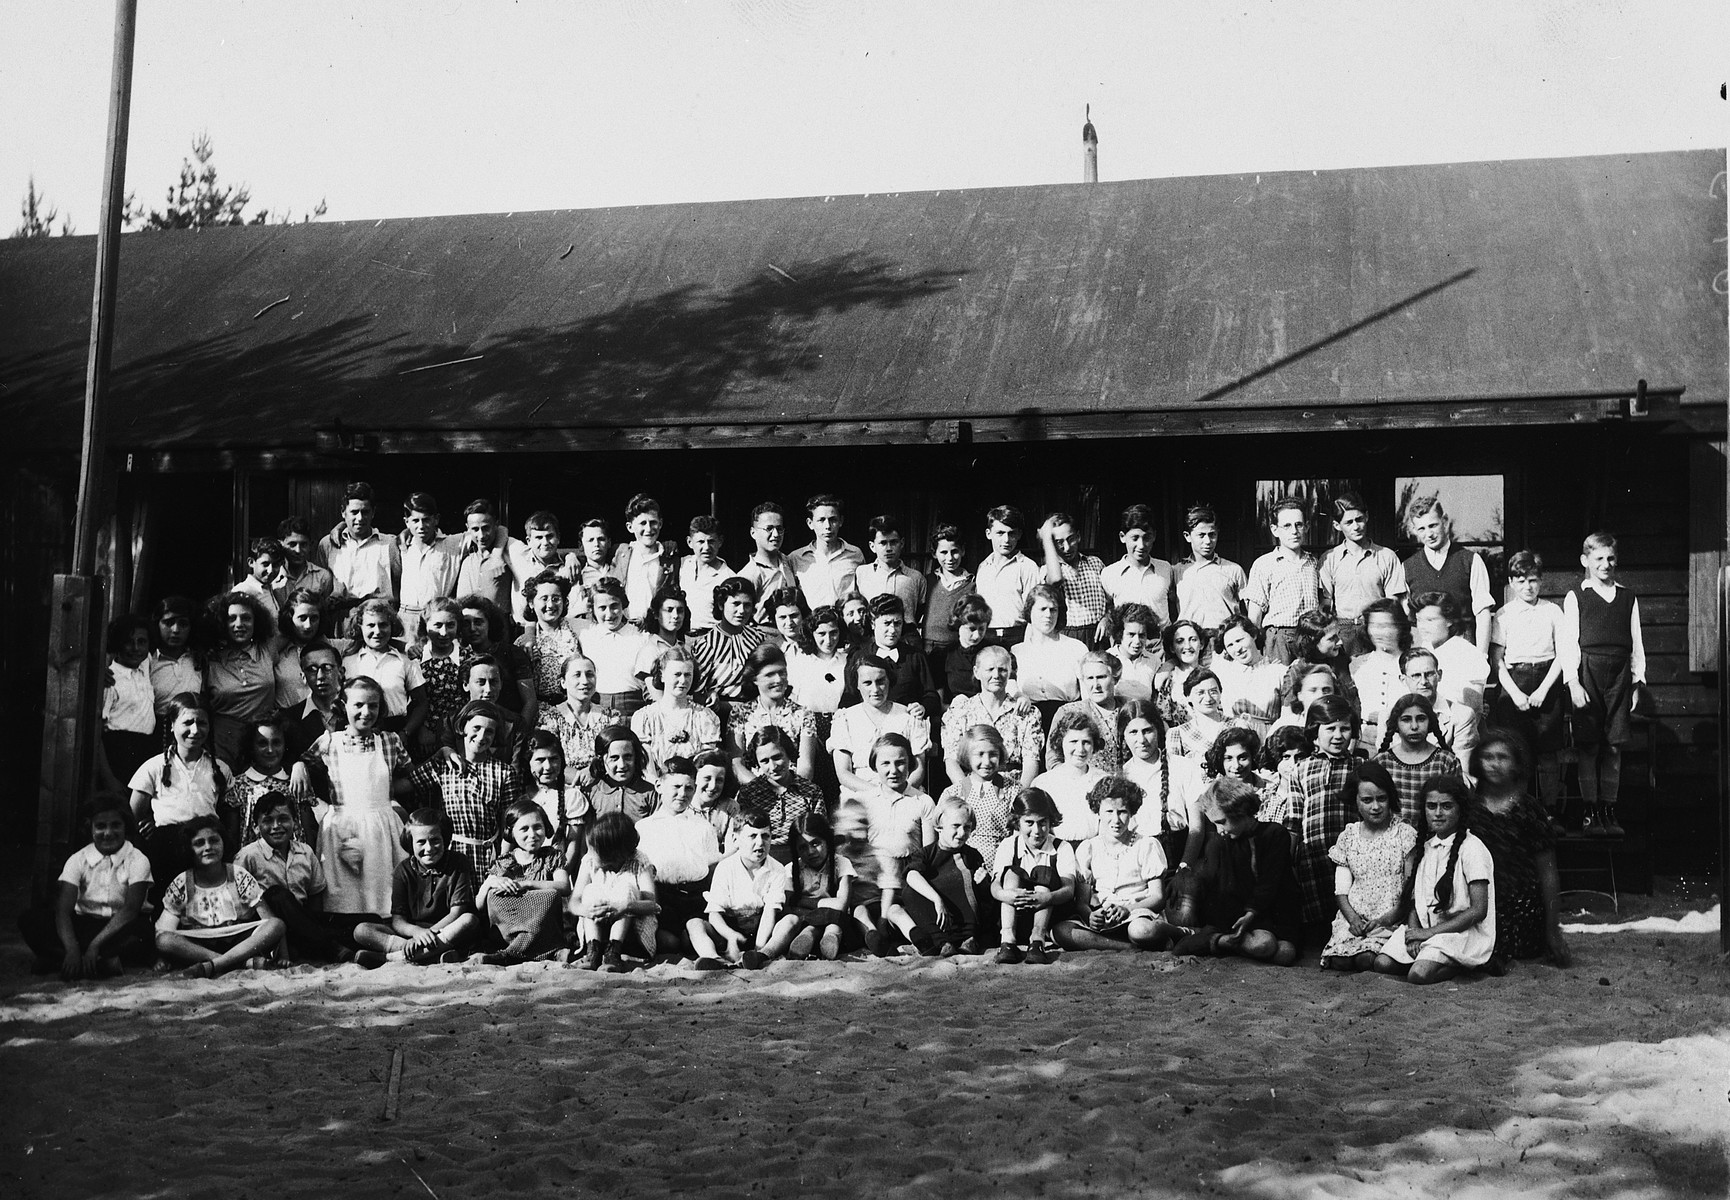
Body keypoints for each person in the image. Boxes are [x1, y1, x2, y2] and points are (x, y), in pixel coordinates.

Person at [296, 677, 411, 920]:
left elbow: (411, 779)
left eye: (373, 705)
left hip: (382, 826)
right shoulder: (330, 742)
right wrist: (298, 765)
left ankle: (382, 935)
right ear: (343, 706)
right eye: (358, 705)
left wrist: (389, 796)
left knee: (382, 895)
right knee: (345, 896)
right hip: (342, 828)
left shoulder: (389, 741)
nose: (366, 712)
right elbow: (305, 766)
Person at [1560, 531, 1646, 837]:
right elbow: (1568, 643)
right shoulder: (1577, 596)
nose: (1605, 564)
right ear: (1586, 561)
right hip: (1589, 673)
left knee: (1613, 746)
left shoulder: (1627, 597)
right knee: (1588, 746)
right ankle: (1590, 811)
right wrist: (1572, 681)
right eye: (1598, 559)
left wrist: (1636, 683)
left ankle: (1609, 810)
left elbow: (1636, 641)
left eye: (1610, 558)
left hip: (1620, 675)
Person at [1161, 778, 1301, 965]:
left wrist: (1251, 913)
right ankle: (1217, 940)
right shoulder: (1220, 843)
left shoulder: (1275, 834)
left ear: (1240, 811)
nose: (1219, 830)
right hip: (1237, 918)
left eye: (1222, 822)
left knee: (1285, 953)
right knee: (1264, 945)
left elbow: (1269, 883)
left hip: (1271, 914)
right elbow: (1220, 892)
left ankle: (1215, 943)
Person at [1372, 775, 1495, 984]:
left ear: (1460, 809)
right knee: (1382, 964)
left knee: (1417, 975)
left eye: (1446, 806)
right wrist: (1413, 933)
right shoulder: (1426, 848)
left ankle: (1460, 967)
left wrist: (1427, 934)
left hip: (1460, 933)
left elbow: (1479, 910)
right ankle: (1428, 958)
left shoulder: (1472, 848)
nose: (1438, 813)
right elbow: (1415, 902)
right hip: (1426, 930)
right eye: (1431, 806)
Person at [19, 798, 153, 979]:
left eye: (115, 825)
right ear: (90, 828)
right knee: (30, 920)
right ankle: (98, 962)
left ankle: (58, 959)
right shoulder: (78, 859)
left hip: (121, 926)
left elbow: (130, 909)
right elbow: (63, 911)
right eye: (100, 826)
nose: (108, 833)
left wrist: (94, 945)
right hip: (85, 924)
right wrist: (72, 948)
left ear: (125, 827)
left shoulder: (138, 859)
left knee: (144, 934)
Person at [1470, 730, 1571, 969]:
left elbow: (1548, 873)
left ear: (1516, 764)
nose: (1495, 764)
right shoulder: (1469, 809)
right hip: (1480, 905)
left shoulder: (1529, 810)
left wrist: (1553, 929)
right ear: (1478, 761)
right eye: (1488, 757)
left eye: (1503, 758)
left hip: (1522, 908)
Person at [129, 693, 234, 905]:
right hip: (166, 848)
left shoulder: (220, 769)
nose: (195, 730)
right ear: (173, 724)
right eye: (188, 722)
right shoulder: (154, 767)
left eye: (202, 723)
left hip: (205, 847)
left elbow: (229, 811)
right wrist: (150, 824)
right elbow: (134, 813)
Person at [835, 733, 934, 953]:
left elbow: (928, 851)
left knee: (896, 910)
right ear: (874, 766)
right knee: (860, 908)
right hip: (872, 882)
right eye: (885, 763)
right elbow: (853, 849)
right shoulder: (864, 801)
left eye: (900, 763)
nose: (893, 770)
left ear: (910, 764)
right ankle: (874, 936)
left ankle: (914, 938)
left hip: (908, 877)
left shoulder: (922, 801)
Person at [402, 699, 522, 877]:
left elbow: (510, 823)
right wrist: (439, 754)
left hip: (487, 857)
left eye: (489, 731)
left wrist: (502, 861)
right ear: (463, 726)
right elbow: (404, 786)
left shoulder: (504, 772)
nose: (482, 736)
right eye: (476, 728)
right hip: (449, 856)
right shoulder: (443, 764)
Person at [1489, 550, 1567, 821]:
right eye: (1521, 581)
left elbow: (1562, 655)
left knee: (1547, 754)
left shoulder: (1553, 611)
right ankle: (1517, 812)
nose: (1528, 586)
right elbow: (1497, 660)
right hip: (1514, 683)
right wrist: (1515, 693)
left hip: (1547, 681)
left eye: (1533, 580)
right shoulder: (1504, 614)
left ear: (1541, 580)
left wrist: (1544, 689)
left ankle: (1549, 812)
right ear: (1511, 582)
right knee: (1517, 753)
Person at [153, 817, 286, 976]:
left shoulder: (238, 875)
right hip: (198, 945)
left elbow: (268, 920)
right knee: (164, 940)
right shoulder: (182, 882)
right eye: (199, 843)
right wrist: (162, 958)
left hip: (239, 942)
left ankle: (214, 965)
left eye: (214, 840)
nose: (208, 847)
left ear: (224, 843)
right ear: (189, 849)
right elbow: (164, 929)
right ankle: (235, 963)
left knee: (276, 924)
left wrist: (284, 955)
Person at [1318, 760, 1417, 971]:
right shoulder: (1349, 836)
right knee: (1341, 960)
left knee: (1366, 959)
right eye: (1367, 800)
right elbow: (1341, 890)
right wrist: (1352, 919)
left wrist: (1386, 919)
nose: (1375, 806)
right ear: (1355, 801)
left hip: (1391, 916)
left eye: (1381, 799)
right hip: (1355, 917)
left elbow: (1410, 890)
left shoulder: (1403, 834)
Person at [353, 808, 482, 966]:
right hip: (413, 933)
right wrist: (417, 933)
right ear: (410, 843)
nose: (429, 848)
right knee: (362, 930)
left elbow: (457, 913)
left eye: (435, 840)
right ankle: (432, 955)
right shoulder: (403, 870)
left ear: (445, 839)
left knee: (469, 920)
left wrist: (429, 934)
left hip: (445, 930)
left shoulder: (458, 863)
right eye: (421, 842)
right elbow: (398, 921)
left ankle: (390, 958)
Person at [235, 790, 352, 964]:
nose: (276, 826)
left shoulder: (305, 852)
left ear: (295, 823)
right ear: (255, 827)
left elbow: (315, 900)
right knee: (276, 894)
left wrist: (310, 925)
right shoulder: (247, 856)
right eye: (268, 821)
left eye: (283, 819)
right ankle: (331, 948)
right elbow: (238, 904)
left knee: (368, 920)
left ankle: (316, 944)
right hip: (270, 930)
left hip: (303, 924)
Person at [1054, 777, 1169, 952]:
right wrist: (1090, 915)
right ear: (1098, 812)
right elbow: (1082, 902)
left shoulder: (1146, 845)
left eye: (1122, 811)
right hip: (1104, 917)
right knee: (1061, 932)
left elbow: (1158, 897)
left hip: (1137, 914)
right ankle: (1127, 947)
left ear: (1131, 812)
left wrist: (1128, 909)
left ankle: (1175, 932)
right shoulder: (1088, 848)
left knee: (1141, 931)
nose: (1116, 820)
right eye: (1109, 811)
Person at [1285, 694, 1362, 937]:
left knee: (1350, 901)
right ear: (1314, 732)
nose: (1338, 736)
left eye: (1345, 729)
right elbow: (1293, 820)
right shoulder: (1301, 768)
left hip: (1351, 853)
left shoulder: (1359, 767)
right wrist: (1288, 859)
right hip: (1313, 851)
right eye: (1330, 729)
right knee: (1317, 913)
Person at [634, 756, 723, 958]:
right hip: (662, 899)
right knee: (670, 944)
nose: (682, 794)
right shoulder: (645, 828)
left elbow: (712, 869)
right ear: (659, 785)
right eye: (676, 786)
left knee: (693, 936)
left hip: (695, 898)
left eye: (689, 788)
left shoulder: (704, 827)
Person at [476, 799, 573, 964]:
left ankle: (513, 954)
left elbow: (564, 886)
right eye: (524, 829)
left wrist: (528, 884)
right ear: (512, 832)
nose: (532, 834)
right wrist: (490, 884)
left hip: (545, 931)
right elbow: (479, 905)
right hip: (513, 930)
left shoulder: (552, 856)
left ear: (546, 828)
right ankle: (530, 951)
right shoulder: (504, 862)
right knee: (494, 896)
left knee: (549, 896)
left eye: (537, 827)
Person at [689, 813, 791, 970]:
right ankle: (713, 959)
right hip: (729, 930)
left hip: (761, 929)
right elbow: (714, 914)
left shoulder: (777, 869)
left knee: (791, 921)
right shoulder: (725, 868)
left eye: (765, 836)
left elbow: (770, 912)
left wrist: (759, 947)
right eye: (752, 836)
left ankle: (763, 955)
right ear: (735, 840)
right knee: (694, 924)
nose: (760, 843)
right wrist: (730, 935)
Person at [989, 788, 1076, 964]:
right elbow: (995, 884)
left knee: (1043, 872)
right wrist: (1006, 894)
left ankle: (1037, 942)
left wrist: (1047, 897)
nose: (1036, 830)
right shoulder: (1009, 845)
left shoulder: (1061, 847)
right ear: (1017, 822)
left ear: (1051, 821)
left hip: (1048, 916)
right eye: (1029, 823)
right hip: (1015, 914)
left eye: (1042, 822)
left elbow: (1069, 889)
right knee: (1012, 873)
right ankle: (1007, 941)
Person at [1401, 495, 1495, 656]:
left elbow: (1483, 613)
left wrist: (1481, 656)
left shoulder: (1470, 560)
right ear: (1414, 530)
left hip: (1464, 647)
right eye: (1421, 529)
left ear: (1444, 521)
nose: (1429, 534)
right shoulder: (1408, 567)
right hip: (1426, 652)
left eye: (1433, 525)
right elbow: (1409, 620)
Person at [894, 798, 989, 956]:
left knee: (965, 878)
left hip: (967, 923)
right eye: (956, 826)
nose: (961, 833)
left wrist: (984, 881)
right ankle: (943, 943)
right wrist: (936, 899)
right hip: (941, 919)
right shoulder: (927, 853)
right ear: (939, 826)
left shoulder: (971, 855)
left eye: (967, 828)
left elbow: (983, 897)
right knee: (911, 891)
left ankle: (969, 939)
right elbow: (911, 875)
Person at [1118, 700, 1207, 867]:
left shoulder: (1184, 767)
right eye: (1133, 732)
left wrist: (1185, 866)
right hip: (1137, 861)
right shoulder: (1121, 776)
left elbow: (1197, 827)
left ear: (1158, 730)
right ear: (1123, 736)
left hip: (1178, 857)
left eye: (1147, 731)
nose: (1141, 739)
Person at [829, 654, 931, 799]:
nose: (875, 689)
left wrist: (898, 794)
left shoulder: (909, 716)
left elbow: (918, 769)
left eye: (880, 681)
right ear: (857, 684)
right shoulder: (844, 719)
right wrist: (880, 795)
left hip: (905, 793)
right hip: (860, 795)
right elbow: (844, 773)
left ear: (889, 680)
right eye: (867, 683)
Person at [570, 811, 662, 970]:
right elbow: (574, 901)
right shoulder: (589, 862)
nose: (589, 853)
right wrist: (588, 910)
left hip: (631, 936)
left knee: (626, 888)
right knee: (591, 890)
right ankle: (594, 951)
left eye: (594, 850)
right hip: (599, 926)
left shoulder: (639, 862)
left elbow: (652, 904)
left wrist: (625, 907)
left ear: (612, 853)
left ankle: (614, 952)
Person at [1319, 492, 1407, 656]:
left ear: (1366, 517)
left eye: (1359, 519)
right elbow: (1326, 604)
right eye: (1349, 522)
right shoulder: (1329, 559)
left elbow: (1393, 603)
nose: (1356, 526)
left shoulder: (1387, 556)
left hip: (1375, 630)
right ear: (1337, 526)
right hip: (1343, 631)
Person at [940, 645, 1042, 787]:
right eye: (990, 669)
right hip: (971, 787)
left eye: (1002, 670)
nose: (996, 675)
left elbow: (1031, 763)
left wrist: (1017, 799)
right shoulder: (959, 711)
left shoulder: (1027, 714)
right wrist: (969, 794)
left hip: (1013, 788)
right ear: (976, 672)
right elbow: (951, 762)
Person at [202, 589, 280, 769]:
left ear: (256, 622)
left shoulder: (268, 649)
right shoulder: (210, 659)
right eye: (232, 619)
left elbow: (298, 631)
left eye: (246, 618)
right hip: (223, 742)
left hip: (261, 740)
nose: (239, 624)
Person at [727, 644, 821, 784]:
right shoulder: (740, 714)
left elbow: (806, 767)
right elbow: (737, 765)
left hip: (794, 791)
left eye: (782, 672)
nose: (778, 679)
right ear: (755, 679)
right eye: (770, 675)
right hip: (753, 791)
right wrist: (761, 791)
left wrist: (786, 792)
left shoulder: (803, 714)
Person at [1244, 497, 1321, 665]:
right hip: (1279, 638)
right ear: (1274, 530)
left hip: (1310, 637)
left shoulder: (1314, 563)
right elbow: (1255, 614)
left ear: (1306, 526)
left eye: (1298, 525)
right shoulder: (1264, 564)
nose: (1294, 531)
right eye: (1287, 526)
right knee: (1280, 684)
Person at [937, 725, 1022, 873]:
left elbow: (1020, 836)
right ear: (967, 756)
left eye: (993, 754)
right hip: (962, 865)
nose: (987, 761)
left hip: (1003, 865)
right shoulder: (953, 793)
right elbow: (942, 836)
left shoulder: (1013, 790)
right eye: (980, 754)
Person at [736, 727, 828, 864]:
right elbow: (744, 837)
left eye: (777, 757)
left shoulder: (810, 791)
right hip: (762, 859)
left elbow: (820, 834)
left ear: (789, 754)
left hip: (801, 859)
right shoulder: (749, 793)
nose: (773, 767)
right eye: (765, 761)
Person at [1371, 693, 1463, 825]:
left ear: (1430, 722)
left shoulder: (1446, 761)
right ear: (1396, 724)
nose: (1414, 726)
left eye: (1421, 719)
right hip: (1392, 841)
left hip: (1434, 840)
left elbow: (1457, 808)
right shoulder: (1382, 762)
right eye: (1406, 719)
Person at [342, 598, 427, 742]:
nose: (377, 631)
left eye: (383, 625)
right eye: (370, 625)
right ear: (360, 627)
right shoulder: (348, 659)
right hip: (358, 729)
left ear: (391, 626)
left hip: (395, 730)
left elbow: (421, 703)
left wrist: (405, 733)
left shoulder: (405, 660)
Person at [631, 646, 723, 779]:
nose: (683, 681)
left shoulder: (704, 717)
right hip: (656, 788)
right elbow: (646, 766)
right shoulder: (646, 717)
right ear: (662, 675)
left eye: (687, 675)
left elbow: (705, 764)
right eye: (677, 674)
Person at [776, 813, 856, 960]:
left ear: (827, 841)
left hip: (835, 922)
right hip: (802, 923)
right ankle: (805, 941)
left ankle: (828, 944)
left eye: (815, 844)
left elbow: (841, 905)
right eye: (803, 847)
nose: (810, 852)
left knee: (833, 926)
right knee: (807, 928)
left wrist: (803, 901)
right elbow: (788, 907)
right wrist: (825, 905)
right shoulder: (791, 869)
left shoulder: (841, 863)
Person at [226, 717, 314, 849]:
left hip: (294, 861)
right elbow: (233, 836)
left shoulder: (295, 782)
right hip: (255, 862)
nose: (270, 750)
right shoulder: (239, 785)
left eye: (276, 743)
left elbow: (308, 830)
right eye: (262, 743)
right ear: (251, 746)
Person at [536, 654, 622, 790]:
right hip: (564, 789)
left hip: (605, 789)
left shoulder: (611, 717)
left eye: (590, 675)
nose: (585, 681)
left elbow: (617, 757)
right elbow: (547, 759)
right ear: (563, 682)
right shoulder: (550, 718)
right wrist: (580, 778)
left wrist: (593, 772)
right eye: (577, 675)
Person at [1011, 584, 1089, 726]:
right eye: (1042, 609)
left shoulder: (1076, 648)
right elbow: (1010, 690)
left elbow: (1087, 697)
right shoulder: (1017, 651)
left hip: (1069, 721)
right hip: (1029, 723)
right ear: (1030, 611)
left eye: (1053, 610)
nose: (1048, 615)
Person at [321, 482, 402, 615]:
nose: (360, 518)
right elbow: (322, 584)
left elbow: (400, 583)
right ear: (343, 512)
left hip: (378, 617)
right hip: (340, 618)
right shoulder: (328, 544)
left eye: (365, 512)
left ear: (373, 512)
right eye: (354, 512)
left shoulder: (390, 544)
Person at [98, 614, 157, 792]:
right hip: (119, 750)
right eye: (128, 642)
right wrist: (109, 778)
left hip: (145, 749)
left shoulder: (145, 665)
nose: (136, 648)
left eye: (141, 642)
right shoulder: (109, 680)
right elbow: (98, 732)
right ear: (117, 644)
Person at [1032, 712, 1111, 842]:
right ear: (1061, 743)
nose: (1080, 749)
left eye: (1086, 742)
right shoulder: (1043, 783)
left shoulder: (1104, 781)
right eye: (1073, 742)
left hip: (1095, 850)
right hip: (1056, 850)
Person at [690, 577, 766, 710]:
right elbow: (698, 694)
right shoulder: (707, 644)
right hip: (721, 712)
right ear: (721, 605)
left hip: (758, 708)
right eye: (735, 604)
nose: (742, 610)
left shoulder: (757, 638)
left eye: (747, 605)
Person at [518, 729, 589, 871]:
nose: (548, 767)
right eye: (540, 760)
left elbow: (572, 847)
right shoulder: (519, 795)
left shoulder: (571, 796)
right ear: (528, 762)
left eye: (553, 759)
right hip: (521, 876)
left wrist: (555, 878)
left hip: (557, 876)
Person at [458, 595, 537, 724]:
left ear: (490, 624)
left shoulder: (513, 654)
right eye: (466, 623)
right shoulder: (458, 656)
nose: (472, 628)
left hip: (508, 725)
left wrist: (518, 734)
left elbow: (530, 702)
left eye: (478, 622)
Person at [1412, 592, 1490, 720]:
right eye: (1419, 620)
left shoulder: (1467, 653)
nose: (1422, 627)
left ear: (1449, 620)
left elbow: (1474, 710)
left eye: (1430, 620)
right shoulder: (1424, 650)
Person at [579, 578, 649, 719]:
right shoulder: (586, 637)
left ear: (623, 605)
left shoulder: (640, 637)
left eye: (614, 606)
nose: (609, 614)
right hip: (597, 708)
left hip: (634, 707)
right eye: (602, 608)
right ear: (592, 609)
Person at [397, 493, 462, 644]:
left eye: (426, 520)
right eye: (415, 520)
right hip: (406, 618)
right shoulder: (400, 545)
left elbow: (498, 530)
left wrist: (498, 554)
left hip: (438, 618)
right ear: (406, 522)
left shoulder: (453, 543)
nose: (421, 526)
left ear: (436, 519)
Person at [1039, 511, 1109, 647]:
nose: (1067, 547)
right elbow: (1055, 580)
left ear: (1078, 537)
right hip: (1068, 635)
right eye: (1059, 542)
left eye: (1070, 539)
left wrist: (1107, 619)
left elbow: (1111, 600)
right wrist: (1046, 538)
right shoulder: (1047, 570)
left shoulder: (1095, 563)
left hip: (1098, 634)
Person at [1173, 504, 1247, 632]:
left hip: (1223, 638)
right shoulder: (1177, 571)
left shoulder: (1233, 570)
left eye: (1212, 534)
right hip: (1189, 640)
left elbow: (1249, 608)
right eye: (1201, 535)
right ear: (1187, 536)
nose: (1207, 541)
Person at [975, 505, 1043, 643]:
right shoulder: (983, 567)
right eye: (1000, 533)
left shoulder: (1027, 566)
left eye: (1011, 533)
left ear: (1018, 535)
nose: (1006, 540)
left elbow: (1034, 611)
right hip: (986, 636)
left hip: (1017, 635)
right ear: (989, 534)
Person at [413, 597, 471, 755]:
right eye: (437, 625)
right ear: (426, 626)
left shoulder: (468, 657)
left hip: (460, 732)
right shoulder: (416, 658)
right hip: (424, 736)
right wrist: (422, 728)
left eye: (450, 625)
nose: (444, 633)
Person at [516, 571, 583, 707]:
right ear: (531, 603)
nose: (551, 605)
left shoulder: (577, 631)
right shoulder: (524, 641)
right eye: (544, 598)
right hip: (539, 709)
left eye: (556, 598)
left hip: (573, 706)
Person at [1100, 504, 1175, 625]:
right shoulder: (1110, 574)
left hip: (1161, 641)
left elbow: (1174, 605)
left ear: (1154, 536)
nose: (1141, 545)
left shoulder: (1165, 569)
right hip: (1128, 641)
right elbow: (1108, 609)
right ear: (1122, 537)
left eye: (1147, 538)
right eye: (1135, 538)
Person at [1050, 651, 1124, 772]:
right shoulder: (1068, 712)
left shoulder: (1129, 709)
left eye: (1101, 677)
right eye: (1090, 678)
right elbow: (1054, 758)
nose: (1096, 685)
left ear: (1115, 679)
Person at [922, 523, 974, 693]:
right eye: (943, 552)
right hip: (930, 651)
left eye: (955, 551)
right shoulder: (927, 581)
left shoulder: (972, 584)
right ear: (934, 554)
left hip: (957, 651)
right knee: (933, 694)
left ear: (963, 551)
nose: (950, 558)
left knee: (954, 694)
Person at [788, 493, 864, 611]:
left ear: (841, 521)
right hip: (813, 625)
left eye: (833, 520)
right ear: (810, 523)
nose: (828, 526)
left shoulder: (855, 554)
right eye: (821, 520)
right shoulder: (796, 558)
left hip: (845, 625)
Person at [1211, 616, 1284, 738]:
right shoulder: (1222, 675)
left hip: (1269, 739)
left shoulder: (1278, 672)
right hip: (1234, 741)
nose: (1237, 649)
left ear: (1254, 635)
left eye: (1240, 640)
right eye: (1230, 645)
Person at [1399, 646, 1478, 760]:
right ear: (1403, 680)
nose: (1423, 682)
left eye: (1429, 674)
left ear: (1439, 675)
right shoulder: (1388, 717)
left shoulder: (1461, 716)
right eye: (1416, 675)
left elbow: (1464, 770)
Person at [1351, 598, 1413, 738]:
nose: (1380, 632)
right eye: (1374, 625)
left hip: (1403, 738)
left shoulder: (1413, 664)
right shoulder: (1357, 665)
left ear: (1400, 627)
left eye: (1386, 626)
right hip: (1365, 739)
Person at [612, 493, 678, 625]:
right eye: (642, 523)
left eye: (653, 522)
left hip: (656, 630)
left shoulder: (669, 558)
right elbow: (592, 557)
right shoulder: (620, 553)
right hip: (624, 628)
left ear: (660, 523)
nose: (648, 529)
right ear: (630, 527)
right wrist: (570, 557)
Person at [856, 514, 928, 630]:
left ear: (902, 543)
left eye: (893, 542)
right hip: (873, 635)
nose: (889, 548)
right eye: (883, 543)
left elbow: (920, 610)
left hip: (906, 636)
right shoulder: (862, 573)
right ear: (872, 546)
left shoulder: (915, 577)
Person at [508, 510, 583, 622]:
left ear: (558, 538)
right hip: (521, 630)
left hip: (556, 630)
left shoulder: (567, 569)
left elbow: (574, 607)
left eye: (550, 536)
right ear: (528, 541)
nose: (545, 542)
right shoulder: (518, 555)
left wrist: (570, 556)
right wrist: (570, 555)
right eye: (539, 537)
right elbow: (499, 530)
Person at [736, 502, 799, 632]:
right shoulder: (749, 574)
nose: (776, 534)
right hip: (764, 636)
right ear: (753, 532)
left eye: (779, 529)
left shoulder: (790, 563)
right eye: (769, 529)